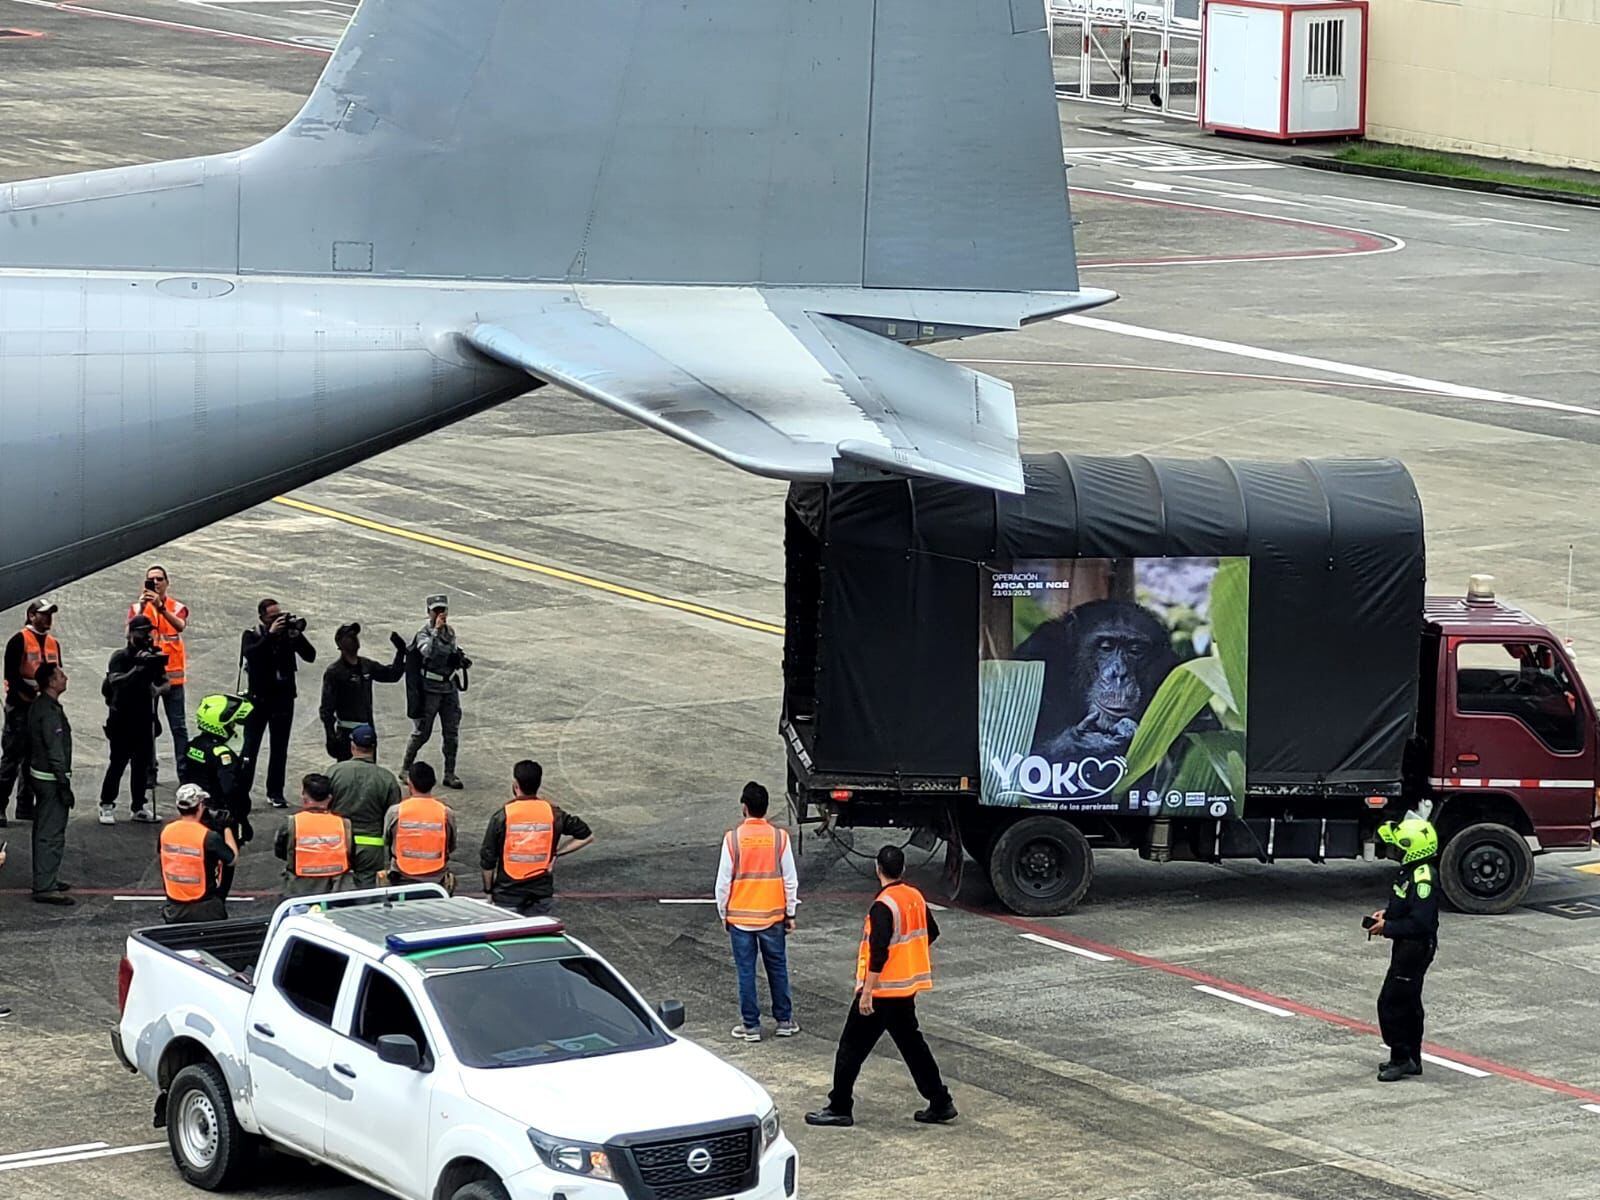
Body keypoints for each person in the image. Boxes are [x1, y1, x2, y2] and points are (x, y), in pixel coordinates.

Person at [805, 845, 956, 1129]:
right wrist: (908, 960)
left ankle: (840, 1106)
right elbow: (931, 933)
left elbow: (878, 951)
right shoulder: (914, 896)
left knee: (850, 1049)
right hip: (905, 988)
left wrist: (867, 991)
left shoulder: (883, 905)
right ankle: (940, 1101)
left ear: (878, 869)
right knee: (913, 1046)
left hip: (882, 990)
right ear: (903, 869)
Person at [715, 781, 799, 1042]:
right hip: (773, 917)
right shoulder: (779, 838)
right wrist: (791, 912)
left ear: (744, 807)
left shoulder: (733, 839)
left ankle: (751, 1026)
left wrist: (723, 914)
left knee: (746, 972)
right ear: (765, 808)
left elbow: (723, 883)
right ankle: (784, 1021)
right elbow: (790, 878)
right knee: (778, 968)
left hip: (740, 920)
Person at [1369, 815, 1441, 1083]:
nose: (1394, 850)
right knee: (1409, 1003)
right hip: (1407, 946)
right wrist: (1388, 914)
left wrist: (1387, 928)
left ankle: (1401, 1058)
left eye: (1399, 846)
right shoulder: (1409, 873)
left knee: (1391, 1003)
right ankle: (1412, 1058)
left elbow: (1421, 923)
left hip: (1415, 948)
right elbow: (1405, 908)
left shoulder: (1423, 879)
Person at [479, 760, 592, 916]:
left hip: (508, 894)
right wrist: (556, 853)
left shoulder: (502, 816)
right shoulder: (554, 813)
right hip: (540, 893)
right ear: (538, 784)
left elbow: (488, 859)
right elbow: (586, 836)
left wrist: (488, 891)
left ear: (515, 785)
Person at [240, 597, 317, 808]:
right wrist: (271, 635)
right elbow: (252, 655)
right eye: (273, 617)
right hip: (258, 699)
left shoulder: (288, 635)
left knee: (279, 747)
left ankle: (275, 792)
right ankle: (242, 790)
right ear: (262, 617)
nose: (278, 620)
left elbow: (310, 656)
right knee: (250, 747)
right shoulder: (252, 635)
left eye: (279, 616)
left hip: (283, 699)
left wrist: (297, 636)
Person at [100, 614, 170, 825]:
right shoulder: (120, 657)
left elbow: (165, 682)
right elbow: (115, 681)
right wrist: (137, 670)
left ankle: (139, 806)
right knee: (118, 762)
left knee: (142, 764)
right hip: (122, 717)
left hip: (145, 716)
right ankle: (106, 804)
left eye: (149, 632)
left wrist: (157, 690)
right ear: (131, 634)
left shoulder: (152, 656)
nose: (147, 636)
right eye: (142, 632)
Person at [182, 694, 256, 888]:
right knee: (224, 865)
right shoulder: (222, 754)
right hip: (220, 819)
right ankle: (217, 897)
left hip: (196, 812)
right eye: (231, 724)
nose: (234, 728)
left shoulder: (193, 746)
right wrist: (242, 821)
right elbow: (231, 790)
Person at [1, 599, 63, 825]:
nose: (48, 619)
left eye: (50, 615)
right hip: (20, 707)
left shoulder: (53, 643)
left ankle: (25, 807)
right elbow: (13, 676)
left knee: (34, 759)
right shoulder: (19, 641)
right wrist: (31, 695)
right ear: (31, 615)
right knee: (12, 758)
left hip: (42, 709)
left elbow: (57, 674)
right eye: (43, 614)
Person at [129, 565, 190, 789]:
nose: (156, 583)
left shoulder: (176, 606)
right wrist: (143, 608)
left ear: (167, 582)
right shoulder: (138, 607)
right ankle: (148, 772)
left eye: (159, 579)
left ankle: (185, 774)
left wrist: (161, 607)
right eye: (151, 580)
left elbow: (180, 625)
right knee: (147, 727)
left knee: (179, 727)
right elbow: (129, 634)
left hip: (173, 679)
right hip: (147, 677)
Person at [402, 595, 469, 789]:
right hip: (429, 689)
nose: (441, 614)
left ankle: (449, 773)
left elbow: (451, 651)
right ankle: (405, 768)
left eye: (443, 610)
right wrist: (435, 631)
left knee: (451, 732)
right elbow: (427, 652)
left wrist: (459, 659)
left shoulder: (450, 633)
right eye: (436, 610)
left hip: (448, 688)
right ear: (429, 612)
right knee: (423, 732)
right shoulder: (423, 633)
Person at [319, 622, 407, 762]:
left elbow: (392, 675)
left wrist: (401, 652)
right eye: (349, 636)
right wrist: (330, 736)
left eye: (355, 636)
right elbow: (326, 709)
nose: (354, 639)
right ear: (340, 644)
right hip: (346, 734)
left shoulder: (367, 665)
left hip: (367, 731)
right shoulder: (334, 672)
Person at [24, 663, 74, 905]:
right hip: (50, 779)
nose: (64, 678)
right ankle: (45, 885)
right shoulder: (49, 712)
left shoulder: (40, 706)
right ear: (51, 683)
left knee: (44, 829)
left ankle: (47, 876)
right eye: (60, 675)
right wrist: (64, 782)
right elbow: (55, 750)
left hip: (40, 774)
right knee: (51, 832)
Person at [327, 724, 400, 887]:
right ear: (374, 747)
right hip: (371, 847)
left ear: (352, 746)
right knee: (366, 895)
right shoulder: (387, 779)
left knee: (335, 890)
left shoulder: (334, 772)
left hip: (338, 842)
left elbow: (324, 806)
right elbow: (394, 819)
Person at [159, 784, 237, 924]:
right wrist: (226, 828)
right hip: (205, 907)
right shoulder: (208, 837)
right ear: (200, 806)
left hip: (174, 907)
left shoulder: (166, 832)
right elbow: (232, 859)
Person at [273, 773, 353, 898]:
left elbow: (280, 851)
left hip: (299, 889)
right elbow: (349, 852)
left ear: (304, 797)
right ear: (330, 798)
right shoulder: (344, 824)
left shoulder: (292, 823)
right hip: (334, 889)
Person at [383, 761, 457, 890]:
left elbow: (387, 841)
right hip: (436, 879)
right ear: (433, 783)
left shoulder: (396, 812)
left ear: (409, 783)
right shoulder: (446, 813)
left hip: (401, 876)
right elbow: (451, 845)